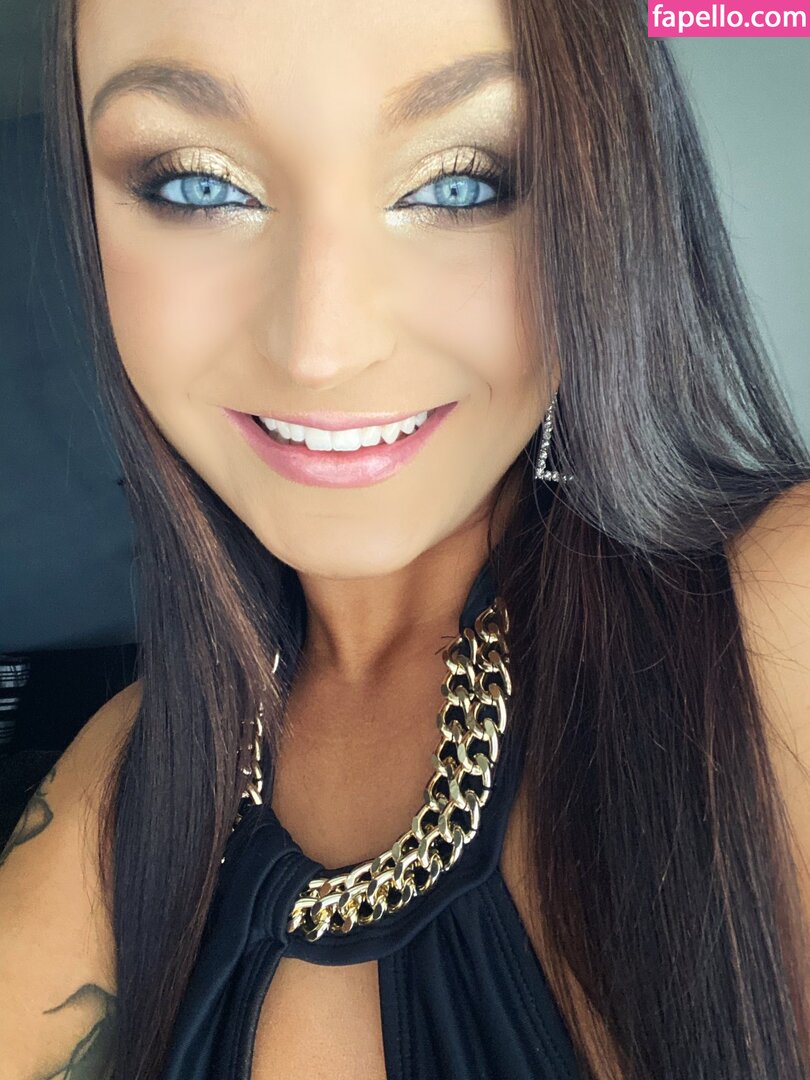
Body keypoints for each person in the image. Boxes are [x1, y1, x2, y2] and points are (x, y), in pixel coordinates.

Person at [1, 0, 809, 1076]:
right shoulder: (125, 778)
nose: (320, 350)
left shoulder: (779, 623)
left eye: (459, 183)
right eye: (196, 184)